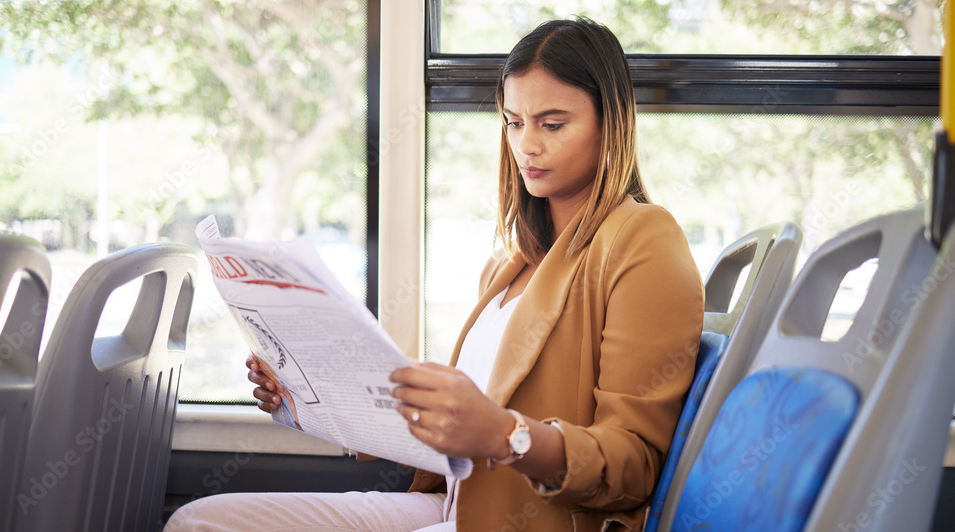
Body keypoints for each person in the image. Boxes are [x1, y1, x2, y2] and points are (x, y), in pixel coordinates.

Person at [166, 16, 703, 532]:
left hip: (530, 519)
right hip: (452, 503)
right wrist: (313, 397)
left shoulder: (642, 239)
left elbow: (632, 466)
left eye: (553, 124)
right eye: (513, 123)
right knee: (200, 521)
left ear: (610, 122)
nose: (526, 145)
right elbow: (452, 440)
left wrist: (503, 434)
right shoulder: (507, 265)